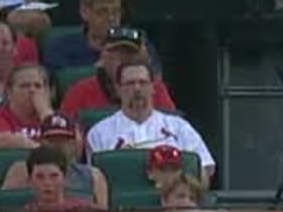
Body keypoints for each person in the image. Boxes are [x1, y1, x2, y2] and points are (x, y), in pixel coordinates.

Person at [86, 60, 218, 176]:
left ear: (153, 88)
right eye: (130, 83)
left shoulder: (179, 127)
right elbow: (94, 180)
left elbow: (206, 168)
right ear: (118, 89)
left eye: (143, 82)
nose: (137, 89)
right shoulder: (99, 132)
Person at [20, 144, 98, 212]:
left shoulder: (86, 211)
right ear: (30, 180)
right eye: (40, 177)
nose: (47, 182)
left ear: (65, 178)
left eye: (54, 176)